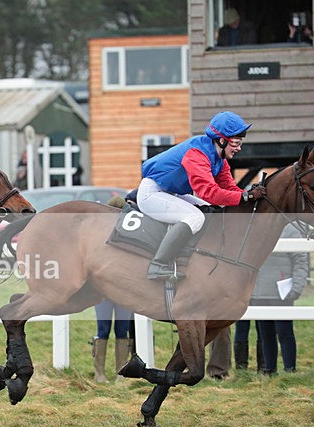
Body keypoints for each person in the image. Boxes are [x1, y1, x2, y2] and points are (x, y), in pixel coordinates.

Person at [137, 111, 266, 280]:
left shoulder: (219, 159)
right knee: (195, 217)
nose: (239, 148)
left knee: (208, 210)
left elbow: (229, 187)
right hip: (152, 193)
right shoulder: (196, 154)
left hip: (169, 192)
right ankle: (158, 265)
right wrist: (246, 197)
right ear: (221, 140)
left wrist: (248, 194)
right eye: (235, 143)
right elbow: (209, 192)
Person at [253, 223, 308, 374]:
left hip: (282, 292)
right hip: (259, 292)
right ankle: (269, 369)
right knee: (265, 334)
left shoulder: (290, 230)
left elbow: (300, 260)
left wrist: (297, 287)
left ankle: (290, 369)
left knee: (285, 332)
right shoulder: (255, 228)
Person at [91, 195, 135, 383]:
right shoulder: (98, 237)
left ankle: (120, 373)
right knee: (105, 329)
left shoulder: (131, 236)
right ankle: (99, 373)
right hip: (105, 290)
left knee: (121, 330)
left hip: (121, 289)